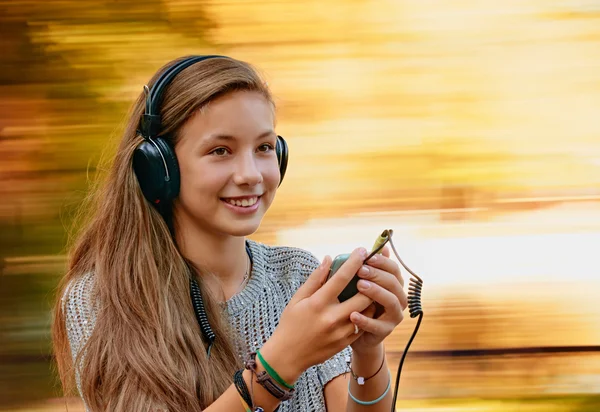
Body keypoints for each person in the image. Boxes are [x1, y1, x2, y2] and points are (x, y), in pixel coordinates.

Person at [51, 55, 408, 412]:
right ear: (159, 167)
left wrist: (367, 349)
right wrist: (279, 364)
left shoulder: (299, 275)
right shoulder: (102, 297)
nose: (250, 174)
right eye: (220, 151)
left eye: (264, 148)